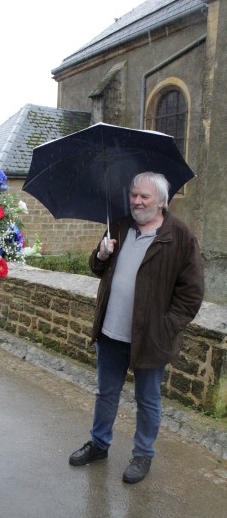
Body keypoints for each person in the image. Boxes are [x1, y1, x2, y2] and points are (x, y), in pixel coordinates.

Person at [69, 172, 204, 483]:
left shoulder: (179, 237)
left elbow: (192, 293)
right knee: (106, 393)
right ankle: (99, 444)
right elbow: (97, 268)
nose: (137, 201)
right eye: (133, 195)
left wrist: (166, 327)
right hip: (111, 331)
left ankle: (142, 455)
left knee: (147, 399)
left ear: (161, 201)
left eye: (144, 196)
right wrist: (101, 254)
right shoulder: (118, 225)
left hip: (152, 337)